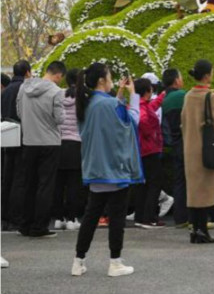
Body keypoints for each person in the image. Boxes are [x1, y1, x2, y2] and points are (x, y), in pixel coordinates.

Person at [72, 62, 141, 277]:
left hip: (95, 169)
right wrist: (134, 96)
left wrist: (119, 95)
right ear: (102, 80)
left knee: (91, 217)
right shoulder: (110, 104)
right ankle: (115, 262)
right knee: (117, 219)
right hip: (115, 169)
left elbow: (110, 119)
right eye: (110, 76)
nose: (112, 79)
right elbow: (131, 122)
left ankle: (78, 261)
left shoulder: (87, 103)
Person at [181, 59, 214, 243]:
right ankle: (202, 230)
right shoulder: (210, 97)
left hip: (189, 148)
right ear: (208, 75)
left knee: (194, 191)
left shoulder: (188, 96)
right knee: (205, 192)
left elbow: (183, 122)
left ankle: (195, 230)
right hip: (206, 149)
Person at [17, 60, 66, 237]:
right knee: (45, 185)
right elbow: (60, 119)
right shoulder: (56, 92)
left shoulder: (24, 88)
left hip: (29, 140)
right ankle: (39, 227)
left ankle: (25, 224)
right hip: (49, 142)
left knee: (29, 184)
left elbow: (19, 111)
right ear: (58, 75)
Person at [1, 60, 32, 231]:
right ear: (27, 72)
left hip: (6, 137)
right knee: (20, 178)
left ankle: (4, 214)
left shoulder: (4, 92)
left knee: (7, 177)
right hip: (22, 137)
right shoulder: (25, 89)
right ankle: (17, 215)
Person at [132, 78, 166, 229]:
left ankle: (141, 216)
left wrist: (163, 95)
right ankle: (149, 217)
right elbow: (144, 123)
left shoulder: (139, 105)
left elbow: (152, 105)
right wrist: (153, 133)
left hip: (141, 151)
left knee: (143, 185)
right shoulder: (143, 108)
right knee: (155, 183)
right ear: (147, 91)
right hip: (149, 150)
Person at [53, 69, 84, 231]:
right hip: (75, 144)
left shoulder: (58, 95)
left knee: (58, 184)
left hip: (58, 143)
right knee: (73, 185)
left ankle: (58, 218)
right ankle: (72, 218)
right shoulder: (82, 97)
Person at [161, 68, 188, 227]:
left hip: (175, 143)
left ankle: (180, 217)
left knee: (179, 181)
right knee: (191, 181)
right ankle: (192, 216)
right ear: (176, 80)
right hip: (187, 142)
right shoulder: (182, 96)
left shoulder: (166, 99)